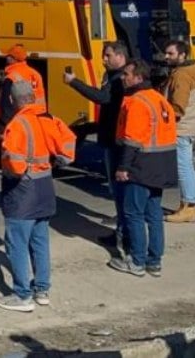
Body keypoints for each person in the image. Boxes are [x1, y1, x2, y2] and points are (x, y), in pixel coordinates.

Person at [0, 80, 77, 313]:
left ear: (12, 100)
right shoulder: (49, 118)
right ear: (33, 97)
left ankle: (22, 295)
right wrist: (60, 160)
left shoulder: (17, 125)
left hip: (23, 189)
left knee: (17, 243)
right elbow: (69, 143)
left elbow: (13, 160)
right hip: (45, 186)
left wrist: (12, 172)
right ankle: (42, 290)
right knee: (40, 240)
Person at [109, 58, 178, 277]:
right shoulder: (159, 99)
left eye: (127, 74)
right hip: (162, 164)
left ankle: (137, 261)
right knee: (154, 214)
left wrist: (123, 167)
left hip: (142, 165)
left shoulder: (137, 102)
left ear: (138, 77)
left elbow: (132, 140)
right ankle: (154, 261)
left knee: (134, 213)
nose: (123, 77)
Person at [64, 41, 129, 254]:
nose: (104, 59)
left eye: (108, 55)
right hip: (112, 138)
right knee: (118, 191)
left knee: (120, 191)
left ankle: (124, 236)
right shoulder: (115, 76)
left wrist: (75, 82)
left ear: (120, 56)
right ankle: (122, 231)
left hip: (116, 140)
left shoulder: (120, 79)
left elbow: (102, 98)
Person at [161, 39, 195, 223]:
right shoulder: (192, 71)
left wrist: (162, 114)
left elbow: (178, 107)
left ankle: (189, 206)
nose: (166, 56)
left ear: (182, 55)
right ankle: (192, 205)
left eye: (170, 53)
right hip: (190, 124)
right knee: (187, 166)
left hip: (181, 127)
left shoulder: (181, 76)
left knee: (183, 167)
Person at [0, 44, 47, 133]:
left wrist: (2, 126)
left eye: (8, 55)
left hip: (15, 122)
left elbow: (6, 105)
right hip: (36, 120)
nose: (6, 57)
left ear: (13, 59)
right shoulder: (35, 74)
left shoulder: (11, 78)